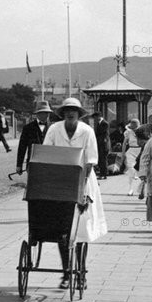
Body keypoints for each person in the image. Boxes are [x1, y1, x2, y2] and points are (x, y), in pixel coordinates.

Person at [43, 97, 108, 289]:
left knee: (81, 231)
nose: (70, 113)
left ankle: (81, 273)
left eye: (74, 110)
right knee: (63, 231)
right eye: (67, 110)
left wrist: (81, 186)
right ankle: (66, 273)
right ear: (62, 113)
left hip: (83, 181)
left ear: (79, 114)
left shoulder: (87, 131)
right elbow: (46, 154)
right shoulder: (54, 129)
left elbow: (91, 161)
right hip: (60, 182)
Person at [16, 101, 52, 175]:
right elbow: (22, 148)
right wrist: (19, 165)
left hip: (49, 164)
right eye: (44, 112)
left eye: (47, 113)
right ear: (37, 114)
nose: (46, 115)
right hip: (32, 164)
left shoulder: (53, 128)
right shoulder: (28, 128)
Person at [122, 119, 141, 196]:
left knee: (141, 170)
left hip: (140, 150)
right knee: (130, 168)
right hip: (131, 150)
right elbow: (124, 143)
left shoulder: (141, 132)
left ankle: (141, 188)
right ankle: (130, 189)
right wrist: (123, 153)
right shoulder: (128, 133)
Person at [92, 111, 111, 180]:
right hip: (99, 144)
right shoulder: (99, 123)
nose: (95, 119)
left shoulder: (104, 123)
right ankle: (102, 173)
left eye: (95, 117)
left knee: (103, 159)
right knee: (100, 159)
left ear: (98, 116)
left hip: (103, 144)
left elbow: (103, 134)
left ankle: (104, 173)